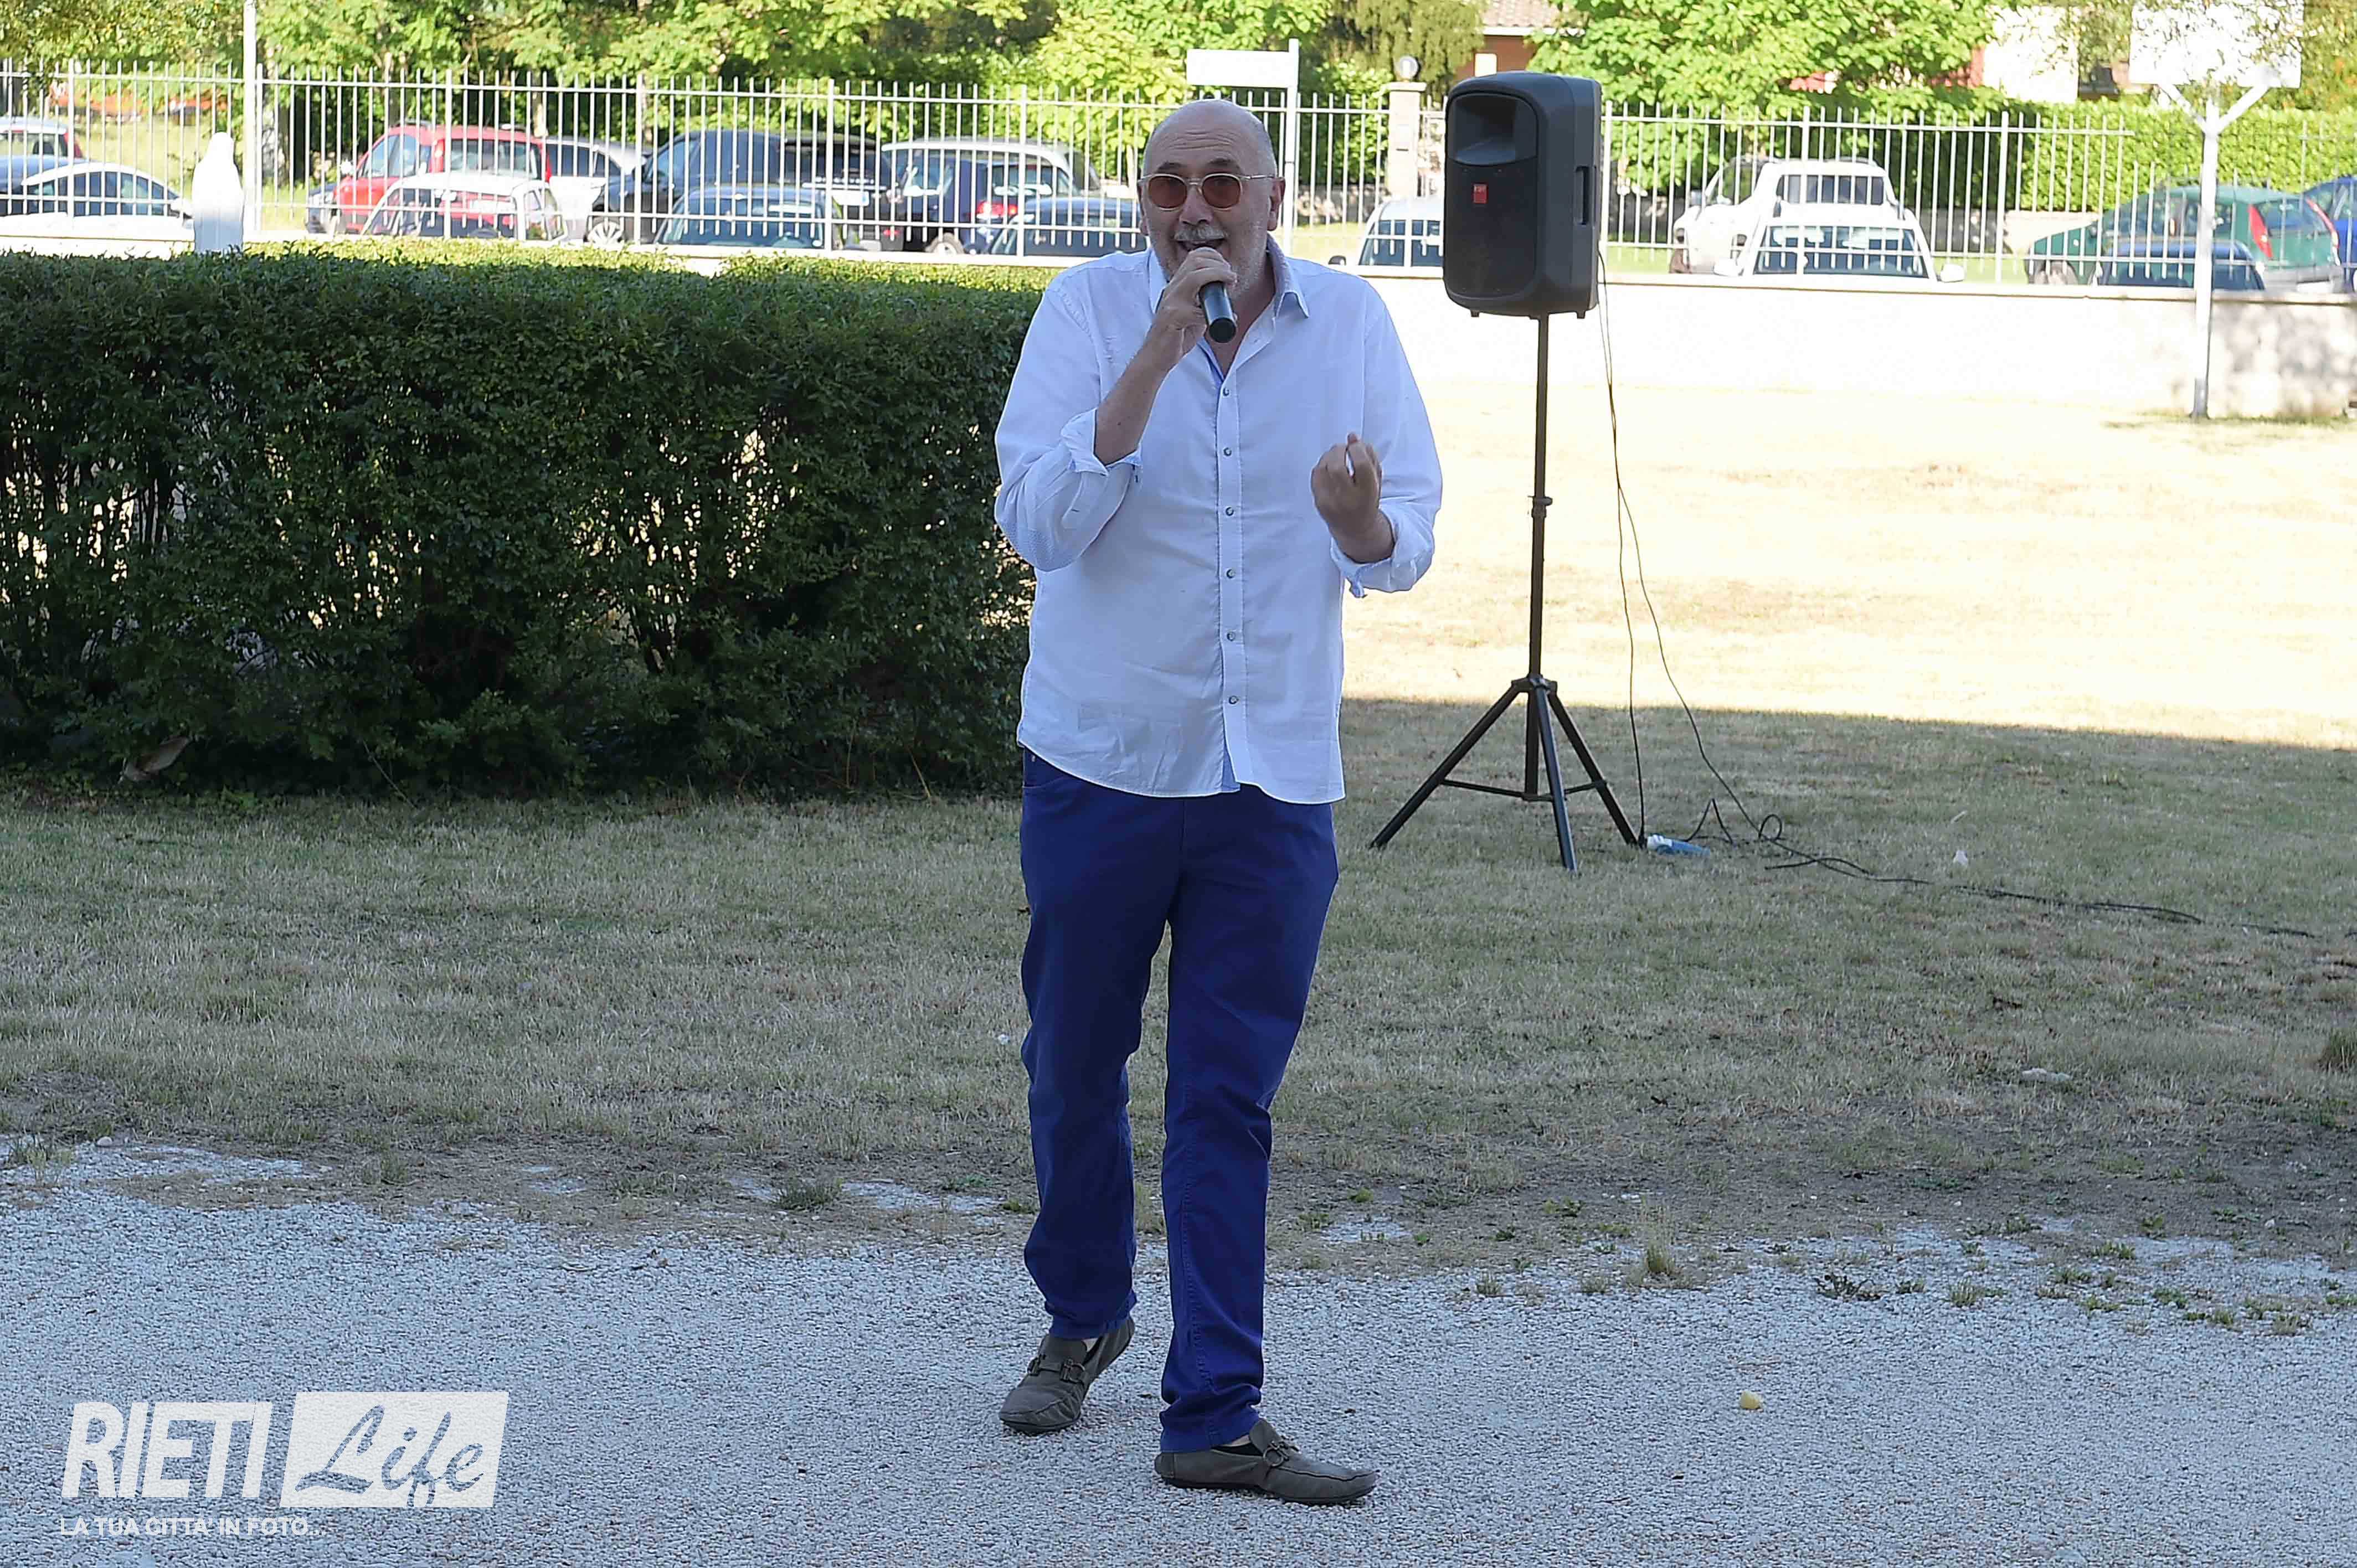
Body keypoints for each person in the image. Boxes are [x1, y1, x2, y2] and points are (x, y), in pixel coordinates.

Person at [990, 98, 1441, 1505]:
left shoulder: (1351, 323)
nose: (1195, 209)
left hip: (1270, 781)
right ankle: (1084, 1316)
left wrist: (1359, 521)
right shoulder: (1085, 314)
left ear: (1275, 196)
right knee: (1072, 1067)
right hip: (1103, 762)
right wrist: (1155, 353)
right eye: (1169, 185)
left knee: (1225, 1100)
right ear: (1142, 199)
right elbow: (1039, 526)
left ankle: (1214, 1413)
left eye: (1224, 185)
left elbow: (1404, 540)